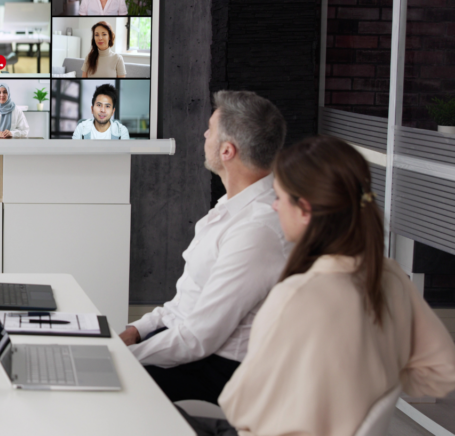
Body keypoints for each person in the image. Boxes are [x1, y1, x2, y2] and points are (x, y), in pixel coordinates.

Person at [184, 136, 455, 436]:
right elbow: (440, 374)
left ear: (305, 210)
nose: (274, 206)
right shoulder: (389, 276)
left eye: (280, 197)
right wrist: (369, 379)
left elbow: (239, 407)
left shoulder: (296, 295)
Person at [119, 90, 289, 404]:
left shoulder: (257, 231)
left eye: (211, 129)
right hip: (186, 345)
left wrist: (123, 357)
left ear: (227, 151)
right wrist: (136, 331)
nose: (204, 134)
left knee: (98, 387)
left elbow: (199, 338)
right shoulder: (232, 207)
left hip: (217, 370)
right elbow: (187, 301)